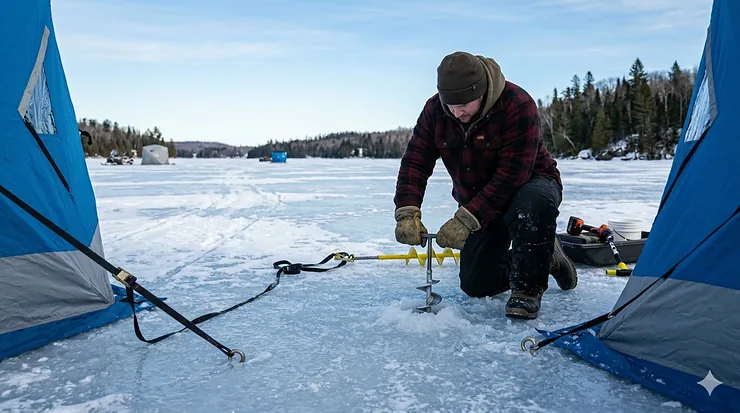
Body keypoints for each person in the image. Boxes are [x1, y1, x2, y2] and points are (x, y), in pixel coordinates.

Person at [393, 51, 577, 319]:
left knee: (532, 203)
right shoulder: (435, 110)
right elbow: (415, 161)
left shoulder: (517, 104)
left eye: (464, 104)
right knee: (477, 284)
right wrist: (407, 210)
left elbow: (512, 175)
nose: (457, 113)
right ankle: (545, 257)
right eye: (450, 105)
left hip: (530, 184)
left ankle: (527, 289)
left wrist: (467, 220)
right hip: (479, 201)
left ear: (481, 91)